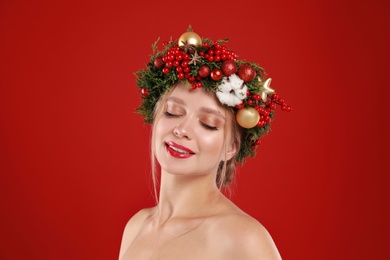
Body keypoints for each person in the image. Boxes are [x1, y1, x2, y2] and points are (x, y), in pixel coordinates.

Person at [119, 26, 291, 260]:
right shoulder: (136, 226)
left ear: (231, 147)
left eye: (209, 124)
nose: (182, 130)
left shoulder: (243, 238)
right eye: (171, 112)